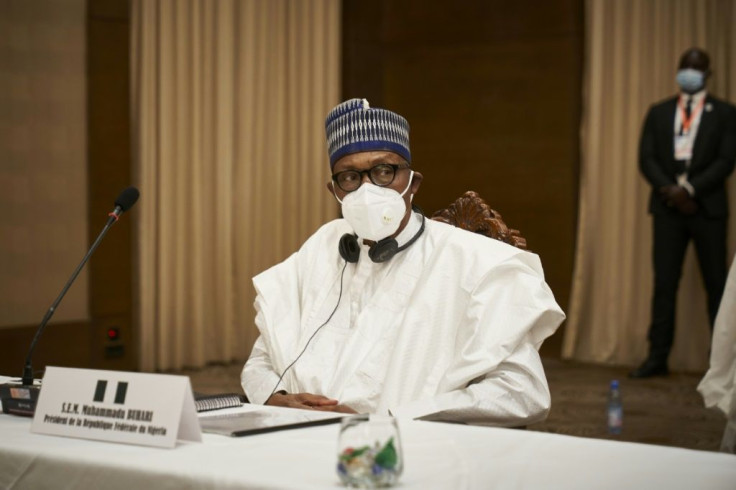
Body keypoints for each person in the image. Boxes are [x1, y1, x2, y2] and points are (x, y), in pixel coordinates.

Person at [241, 98, 565, 426]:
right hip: (293, 435)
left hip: (409, 446)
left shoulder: (474, 261)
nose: (368, 188)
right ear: (335, 191)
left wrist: (390, 420)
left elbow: (522, 393)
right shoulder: (323, 246)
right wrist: (277, 398)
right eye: (350, 176)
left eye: (384, 171)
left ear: (413, 184)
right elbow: (262, 358)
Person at [631, 47, 736, 378]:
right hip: (667, 209)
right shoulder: (659, 111)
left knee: (716, 285)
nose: (690, 71)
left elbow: (726, 160)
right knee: (664, 283)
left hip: (707, 209)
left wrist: (690, 190)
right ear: (678, 70)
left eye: (697, 67)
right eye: (685, 66)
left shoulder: (725, 113)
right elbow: (646, 158)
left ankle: (721, 364)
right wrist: (673, 193)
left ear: (708, 74)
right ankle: (657, 357)